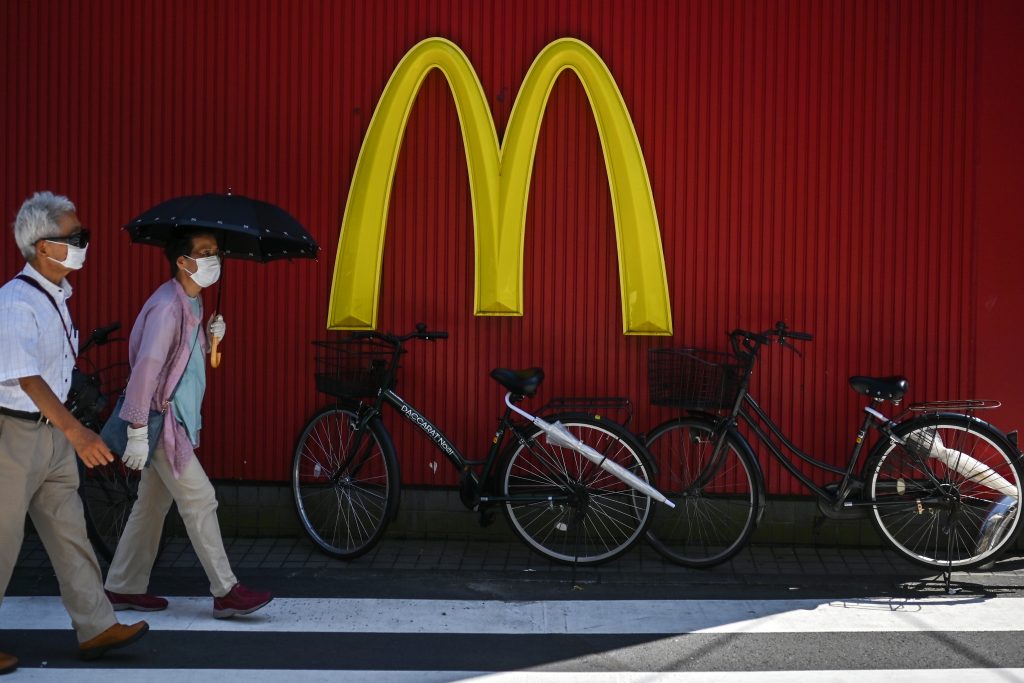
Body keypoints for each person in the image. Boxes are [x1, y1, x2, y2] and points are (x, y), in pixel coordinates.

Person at [0, 191, 150, 672]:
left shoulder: (55, 297)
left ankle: (95, 625)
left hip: (51, 435)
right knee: (1, 541)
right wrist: (79, 433)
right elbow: (25, 374)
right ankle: (95, 625)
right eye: (75, 237)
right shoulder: (16, 301)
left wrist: (68, 431)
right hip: (14, 434)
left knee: (70, 533)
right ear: (43, 247)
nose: (84, 243)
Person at [103, 229, 272, 619]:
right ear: (183, 261)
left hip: (174, 420)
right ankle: (226, 591)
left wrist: (211, 339)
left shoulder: (191, 303)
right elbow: (146, 370)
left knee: (150, 506)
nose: (215, 257)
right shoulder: (168, 308)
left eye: (216, 251)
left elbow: (192, 367)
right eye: (205, 251)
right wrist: (138, 431)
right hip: (164, 424)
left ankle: (122, 587)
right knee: (201, 499)